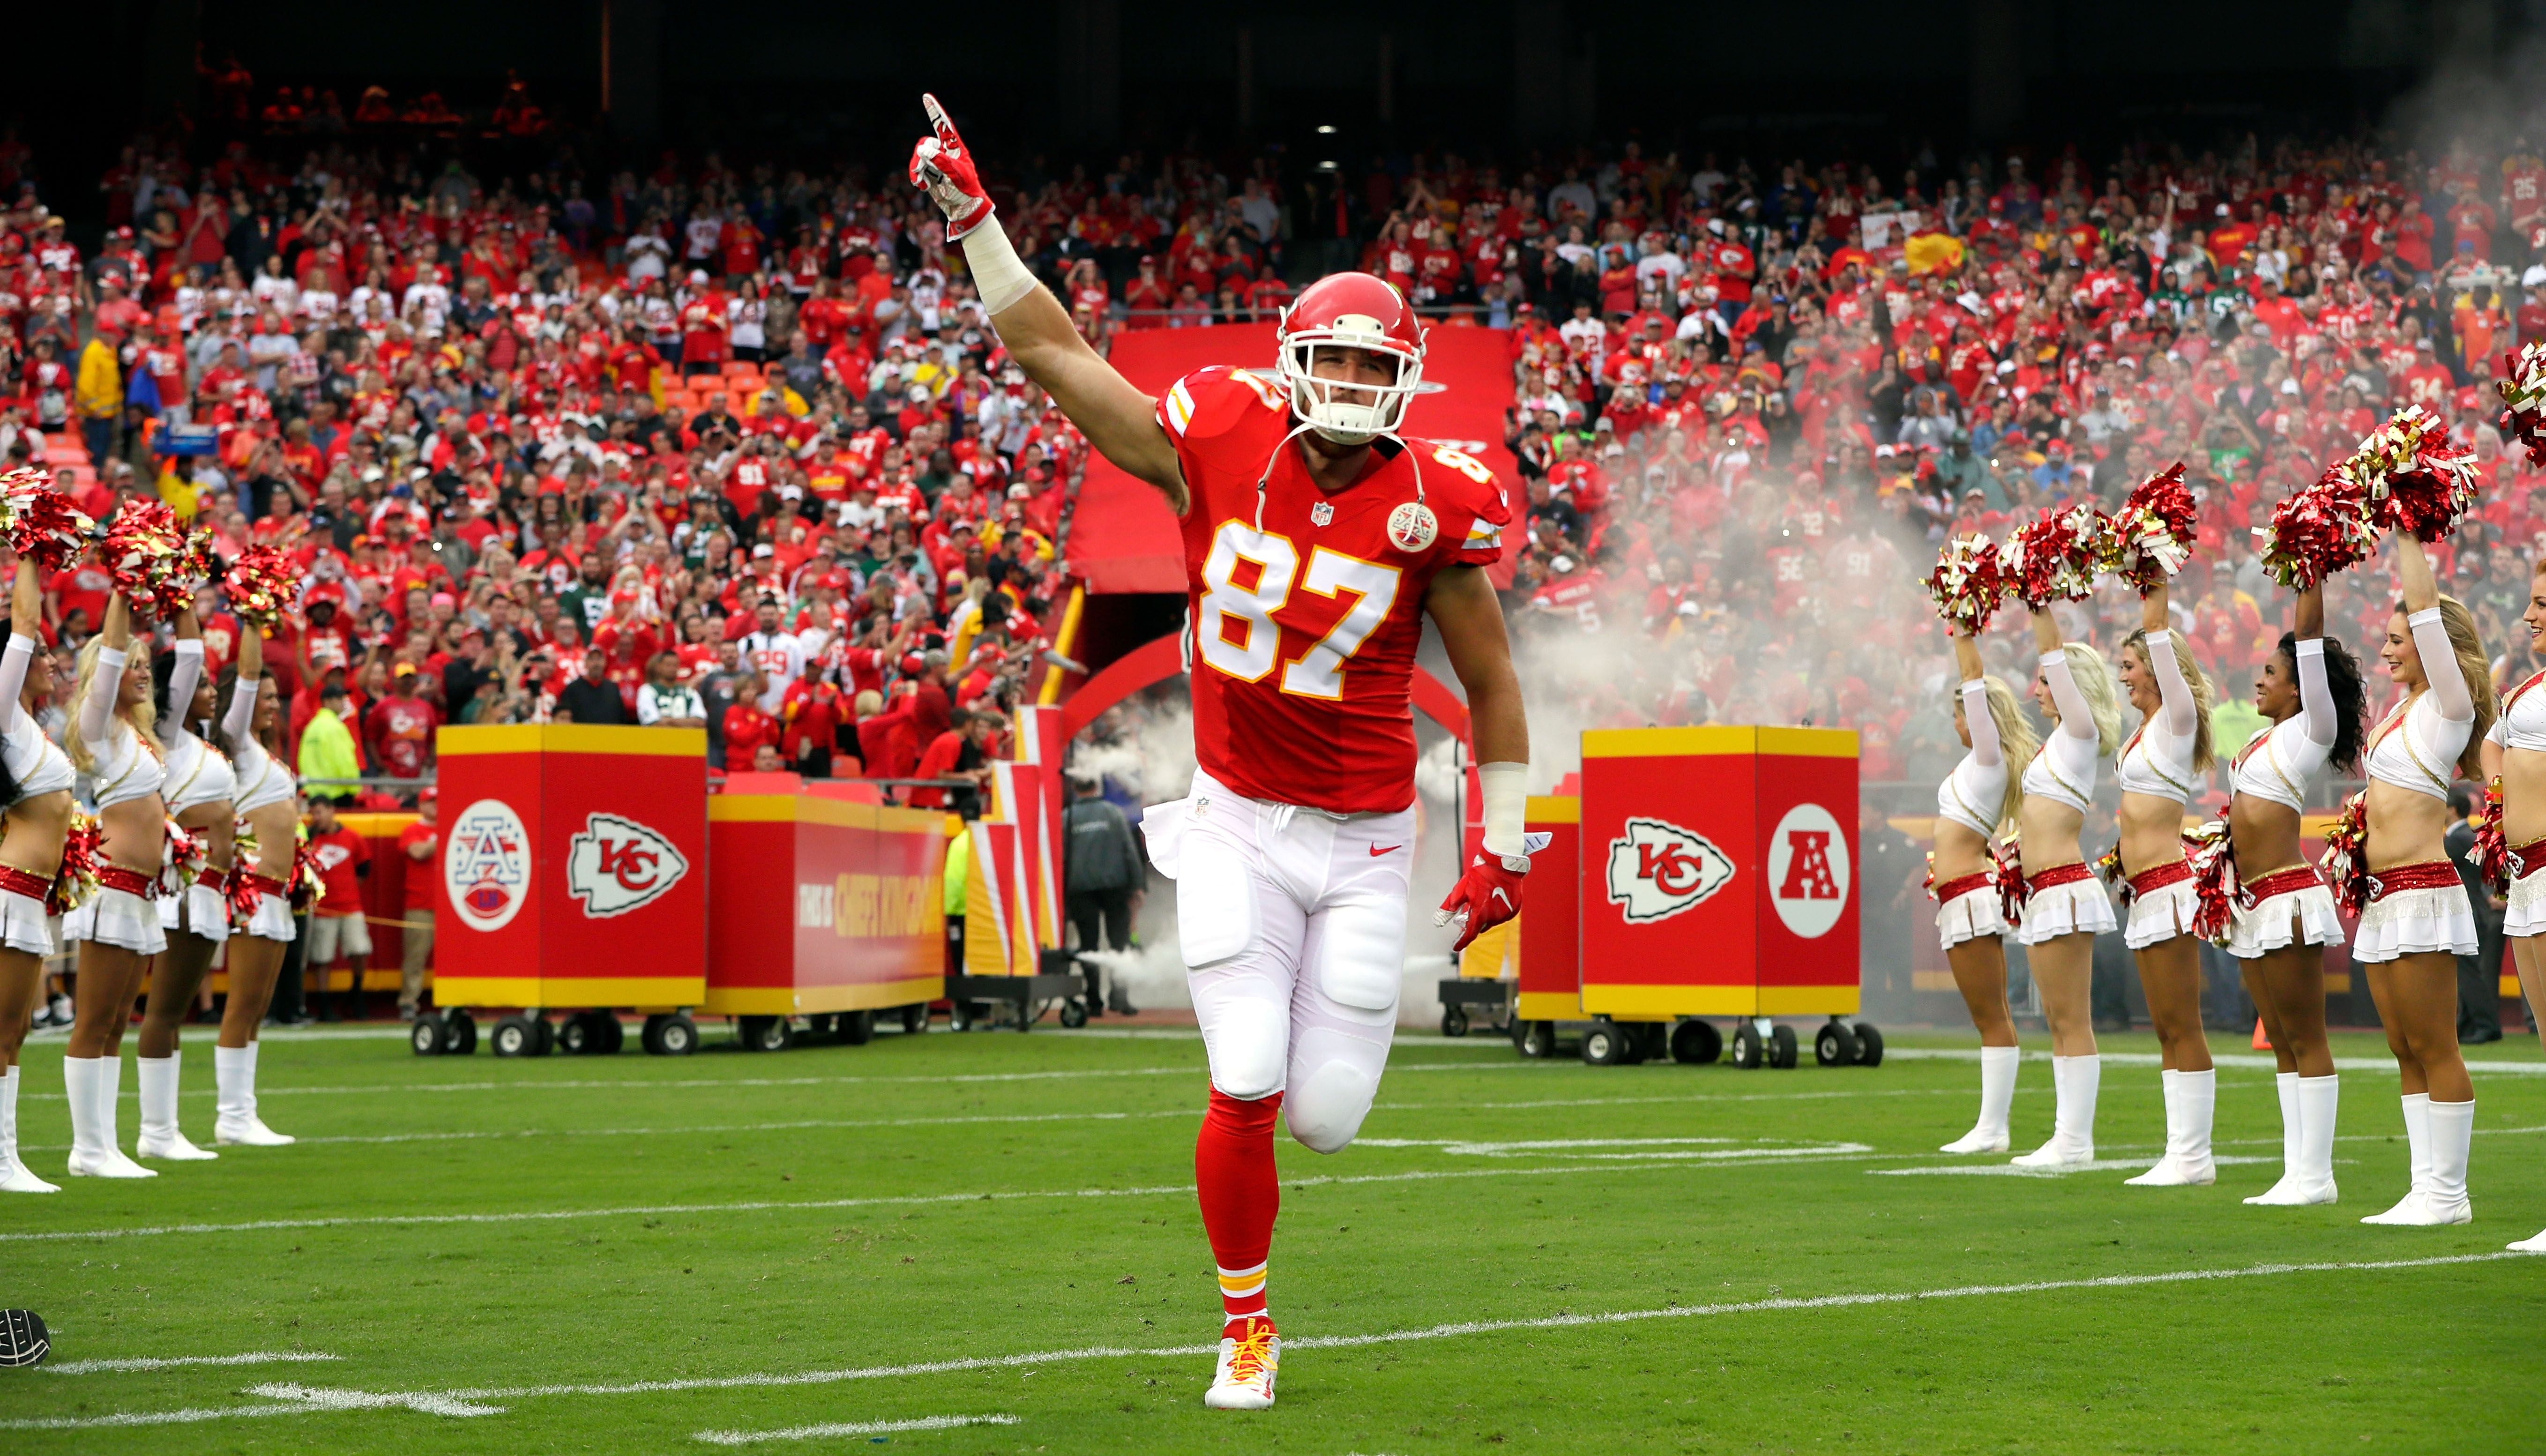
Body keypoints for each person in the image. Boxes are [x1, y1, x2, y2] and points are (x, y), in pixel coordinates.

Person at [912, 94, 1530, 1411]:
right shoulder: (1216, 432)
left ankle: (1322, 1061)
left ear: (1405, 381)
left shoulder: (1437, 503)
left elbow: (1489, 678)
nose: (1357, 390)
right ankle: (1246, 1330)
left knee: (1327, 1117)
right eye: (1340, 364)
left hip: (1368, 843)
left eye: (1379, 371)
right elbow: (1055, 354)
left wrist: (1505, 842)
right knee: (1243, 1077)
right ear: (1297, 360)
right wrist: (976, 223)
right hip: (1241, 817)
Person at [2354, 536, 2494, 1226]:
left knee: (2435, 1042)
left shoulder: (2448, 707)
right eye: (2384, 641)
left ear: (2432, 645)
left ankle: (2450, 1193)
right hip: (2384, 896)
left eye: (2397, 640)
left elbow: (2424, 610)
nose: (2386, 651)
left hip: (2421, 888)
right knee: (2401, 1044)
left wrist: (2405, 528)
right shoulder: (2399, 710)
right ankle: (2423, 1186)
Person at [2225, 578, 2364, 1207]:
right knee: (2279, 1037)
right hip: (2253, 903)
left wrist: (2308, 570)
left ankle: (2318, 1175)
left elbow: (2309, 637)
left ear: (2299, 686)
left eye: (2271, 672)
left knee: (2306, 1037)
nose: (2259, 680)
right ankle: (2294, 1171)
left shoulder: (2311, 729)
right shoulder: (2261, 737)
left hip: (2287, 897)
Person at [2109, 577, 2221, 1187]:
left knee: (2184, 1022)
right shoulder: (2142, 729)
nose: (2124, 674)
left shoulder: (2177, 720)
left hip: (2173, 884)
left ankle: (2194, 1156)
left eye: (2130, 665)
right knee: (2162, 1025)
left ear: (2157, 669)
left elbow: (2156, 631)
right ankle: (2179, 1150)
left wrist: (2151, 573)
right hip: (2144, 890)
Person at [2010, 603, 2122, 1170]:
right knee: (2056, 1018)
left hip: (2063, 886)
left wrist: (2039, 601)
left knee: (2071, 1018)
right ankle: (2066, 1135)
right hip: (2044, 890)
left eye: (2047, 681)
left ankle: (2076, 1140)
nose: (2038, 688)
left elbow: (2051, 651)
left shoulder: (2080, 732)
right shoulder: (2056, 739)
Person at [61, 587, 169, 1178]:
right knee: (94, 1020)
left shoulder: (140, 733)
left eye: (147, 667)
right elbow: (107, 662)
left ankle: (105, 1144)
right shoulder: (100, 729)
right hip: (109, 885)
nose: (141, 674)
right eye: (132, 665)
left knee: (117, 1022)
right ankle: (87, 1148)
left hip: (141, 893)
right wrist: (127, 590)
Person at [133, 602, 235, 1162]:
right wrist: (185, 607)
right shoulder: (166, 735)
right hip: (186, 886)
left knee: (176, 1013)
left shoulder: (202, 739)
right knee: (166, 1010)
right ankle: (156, 1129)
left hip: (210, 887)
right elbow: (191, 656)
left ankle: (165, 1126)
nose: (211, 690)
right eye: (203, 685)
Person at [1931, 624, 2036, 1154]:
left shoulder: (1990, 759)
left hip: (1971, 896)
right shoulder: (1976, 764)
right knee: (1988, 1015)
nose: (1956, 723)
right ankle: (1991, 1126)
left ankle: (1994, 1128)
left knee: (1991, 1015)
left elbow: (1972, 676)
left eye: (1960, 714)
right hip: (1958, 897)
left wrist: (1960, 624)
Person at [0, 558, 75, 1192]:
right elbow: (23, 620)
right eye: (42, 652)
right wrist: (26, 544)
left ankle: (7, 1155)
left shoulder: (35, 729)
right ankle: (1, 1159)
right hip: (9, 892)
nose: (52, 659)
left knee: (15, 1029)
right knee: (3, 1028)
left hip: (31, 897)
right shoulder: (5, 718)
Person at [215, 617, 300, 1146]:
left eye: (276, 696)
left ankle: (245, 1111)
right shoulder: (238, 747)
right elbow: (246, 676)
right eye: (265, 696)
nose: (273, 703)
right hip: (251, 893)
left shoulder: (265, 754)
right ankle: (231, 1114)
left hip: (277, 893)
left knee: (258, 1007)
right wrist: (252, 617)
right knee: (242, 1003)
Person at [2492, 561, 2546, 1249]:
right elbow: (2493, 749)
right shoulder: (2529, 687)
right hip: (2527, 872)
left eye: (2543, 603)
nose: (2530, 616)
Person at [1063, 769, 1146, 1016]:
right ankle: (1120, 998)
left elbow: (1061, 857)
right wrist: (1137, 885)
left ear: (1076, 789)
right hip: (1115, 887)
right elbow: (1130, 853)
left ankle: (1093, 1001)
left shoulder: (1067, 818)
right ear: (1097, 787)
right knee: (1119, 944)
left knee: (1088, 945)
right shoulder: (1114, 814)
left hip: (1080, 889)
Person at [303, 795, 371, 1021]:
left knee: (360, 950)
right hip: (323, 908)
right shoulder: (311, 837)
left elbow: (364, 868)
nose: (316, 817)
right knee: (322, 957)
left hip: (350, 906)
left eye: (320, 811)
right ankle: (324, 1003)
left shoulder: (352, 837)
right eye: (313, 813)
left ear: (332, 811)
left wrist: (348, 889)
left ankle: (357, 993)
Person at [2446, 784, 2502, 1045]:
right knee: (2469, 970)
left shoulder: (2455, 840)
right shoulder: (2468, 836)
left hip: (2468, 910)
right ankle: (2467, 1025)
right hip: (2476, 909)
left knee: (2469, 972)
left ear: (2453, 810)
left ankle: (2486, 1025)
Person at [397, 789, 440, 1019]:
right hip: (420, 903)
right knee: (415, 956)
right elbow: (418, 852)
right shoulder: (413, 830)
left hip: (451, 906)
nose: (436, 806)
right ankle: (408, 1002)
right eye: (431, 802)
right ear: (421, 805)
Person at [297, 680, 359, 804]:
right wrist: (354, 788)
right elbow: (344, 761)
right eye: (340, 699)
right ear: (328, 702)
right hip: (338, 794)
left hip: (315, 794)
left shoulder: (312, 727)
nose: (344, 702)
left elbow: (302, 759)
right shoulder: (335, 727)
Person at [556, 646, 627, 724]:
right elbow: (565, 718)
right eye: (592, 659)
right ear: (585, 663)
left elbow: (621, 717)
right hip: (581, 735)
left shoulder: (613, 688)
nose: (596, 664)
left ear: (605, 662)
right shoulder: (573, 689)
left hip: (608, 735)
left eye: (599, 659)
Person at [635, 651, 706, 727]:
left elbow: (701, 722)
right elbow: (653, 723)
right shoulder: (648, 690)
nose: (672, 669)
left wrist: (669, 721)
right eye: (668, 665)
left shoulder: (689, 692)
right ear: (659, 667)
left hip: (686, 738)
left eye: (675, 665)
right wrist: (686, 722)